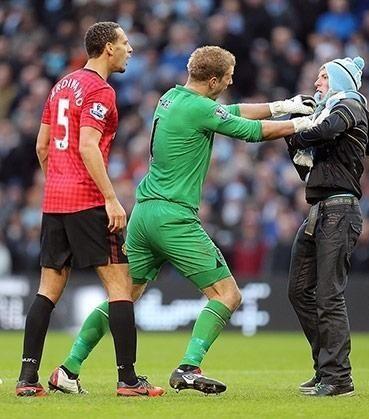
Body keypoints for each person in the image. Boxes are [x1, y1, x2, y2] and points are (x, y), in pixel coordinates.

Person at [52, 45, 316, 395]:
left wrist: (283, 106)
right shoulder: (198, 108)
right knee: (227, 294)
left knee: (123, 296)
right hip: (173, 217)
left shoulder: (172, 98)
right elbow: (248, 132)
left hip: (144, 213)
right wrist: (301, 123)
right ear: (212, 80)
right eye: (227, 78)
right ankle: (189, 367)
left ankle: (68, 368)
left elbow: (227, 112)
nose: (230, 82)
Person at [16, 21, 164, 398]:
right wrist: (111, 197)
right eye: (125, 43)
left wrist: (58, 182)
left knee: (47, 289)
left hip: (54, 202)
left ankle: (27, 380)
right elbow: (87, 146)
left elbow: (42, 147)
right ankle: (128, 380)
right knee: (120, 286)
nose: (130, 49)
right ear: (107, 49)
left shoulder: (61, 85)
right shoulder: (101, 91)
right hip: (87, 200)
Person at [286, 56, 369, 397]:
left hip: (339, 210)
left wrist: (297, 127)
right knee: (299, 292)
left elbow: (323, 131)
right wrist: (296, 128)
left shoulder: (351, 104)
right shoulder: (329, 113)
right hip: (320, 210)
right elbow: (304, 167)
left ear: (341, 80)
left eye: (323, 76)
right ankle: (326, 368)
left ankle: (338, 378)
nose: (316, 83)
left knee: (328, 294)